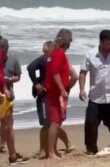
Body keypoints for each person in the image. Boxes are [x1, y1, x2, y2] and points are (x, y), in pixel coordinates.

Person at [0, 28, 29, 164]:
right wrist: (4, 88)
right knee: (8, 123)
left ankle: (11, 153)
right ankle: (13, 156)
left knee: (1, 121)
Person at [27, 41, 76, 158]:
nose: (44, 54)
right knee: (54, 123)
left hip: (47, 95)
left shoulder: (48, 58)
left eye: (45, 52)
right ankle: (50, 149)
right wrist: (66, 88)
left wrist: (36, 84)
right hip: (58, 94)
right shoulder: (62, 58)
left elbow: (30, 67)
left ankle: (51, 149)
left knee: (50, 124)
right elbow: (74, 75)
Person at [44, 29, 73, 159]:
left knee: (56, 122)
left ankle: (53, 151)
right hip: (55, 93)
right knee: (55, 122)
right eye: (69, 42)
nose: (69, 45)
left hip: (54, 92)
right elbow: (55, 73)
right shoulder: (59, 54)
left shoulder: (53, 54)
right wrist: (62, 89)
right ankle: (50, 152)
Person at [0, 38, 21, 154]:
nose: (0, 50)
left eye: (2, 48)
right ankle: (1, 144)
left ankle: (3, 145)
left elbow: (18, 76)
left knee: (6, 120)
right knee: (1, 119)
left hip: (8, 94)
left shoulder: (13, 60)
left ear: (7, 48)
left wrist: (10, 79)